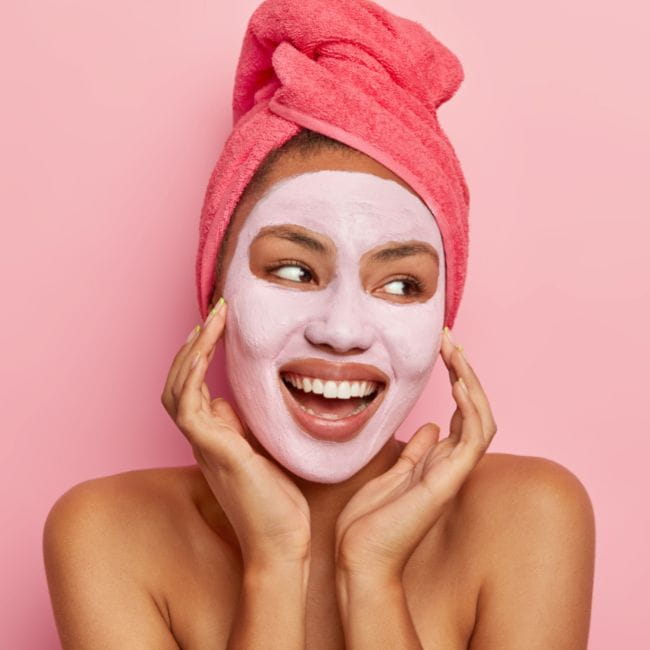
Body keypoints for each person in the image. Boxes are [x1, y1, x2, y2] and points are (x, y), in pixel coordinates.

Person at [43, 1, 595, 648]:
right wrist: (275, 562)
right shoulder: (108, 532)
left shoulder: (530, 518)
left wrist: (372, 574)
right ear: (217, 294)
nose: (342, 329)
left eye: (400, 283)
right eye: (294, 272)